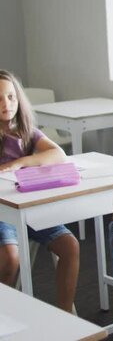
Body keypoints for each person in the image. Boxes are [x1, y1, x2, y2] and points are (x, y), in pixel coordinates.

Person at [0, 69, 79, 313]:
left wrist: (18, 163)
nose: (6, 104)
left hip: (29, 209)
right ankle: (7, 314)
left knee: (70, 246)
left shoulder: (25, 132)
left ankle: (65, 314)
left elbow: (59, 154)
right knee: (11, 258)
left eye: (11, 97)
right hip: (3, 213)